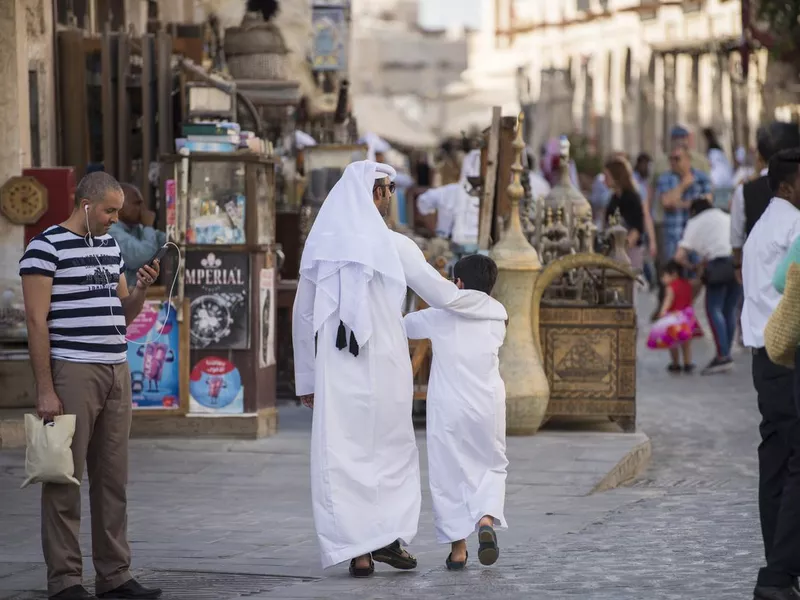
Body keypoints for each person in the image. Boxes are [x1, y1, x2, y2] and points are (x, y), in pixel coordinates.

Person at [292, 160, 488, 578]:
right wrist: (487, 307)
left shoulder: (322, 247)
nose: (391, 196)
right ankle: (384, 538)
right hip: (386, 362)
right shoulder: (397, 247)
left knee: (343, 452)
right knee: (390, 450)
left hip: (335, 366)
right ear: (378, 194)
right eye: (390, 189)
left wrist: (306, 378)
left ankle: (360, 552)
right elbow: (443, 297)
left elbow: (302, 316)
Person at [18, 172, 162, 600]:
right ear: (84, 204)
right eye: (109, 211)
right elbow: (35, 321)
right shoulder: (44, 247)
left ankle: (114, 575)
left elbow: (123, 311)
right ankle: (64, 581)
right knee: (65, 476)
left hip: (116, 369)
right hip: (73, 370)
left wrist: (139, 289)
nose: (115, 219)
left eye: (117, 211)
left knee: (113, 477)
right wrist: (45, 388)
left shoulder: (109, 245)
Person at [403, 254, 508, 571]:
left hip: (449, 405)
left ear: (457, 284)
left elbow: (403, 327)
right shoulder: (498, 317)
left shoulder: (440, 315)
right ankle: (485, 519)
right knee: (489, 464)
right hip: (488, 403)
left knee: (448, 472)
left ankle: (459, 550)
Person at [741, 148, 800, 600]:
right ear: (786, 184)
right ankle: (779, 570)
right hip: (786, 357)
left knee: (777, 463)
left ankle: (779, 566)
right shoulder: (792, 225)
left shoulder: (764, 226)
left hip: (766, 356)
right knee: (790, 465)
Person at [674, 198, 740, 375]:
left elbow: (679, 256)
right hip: (738, 262)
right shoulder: (724, 215)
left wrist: (693, 267)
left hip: (718, 264)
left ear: (693, 211)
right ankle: (726, 352)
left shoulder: (694, 222)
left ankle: (722, 356)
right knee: (730, 309)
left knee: (713, 308)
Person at [730, 122, 800, 277]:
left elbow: (736, 240)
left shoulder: (744, 191)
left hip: (757, 275)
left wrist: (737, 265)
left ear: (760, 156)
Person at [650, 125, 711, 262]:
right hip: (672, 233)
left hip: (697, 236)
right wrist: (684, 185)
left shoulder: (701, 170)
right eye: (671, 159)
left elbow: (707, 202)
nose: (673, 162)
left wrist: (679, 203)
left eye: (677, 159)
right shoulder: (664, 173)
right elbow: (665, 201)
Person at [108, 184, 166, 287]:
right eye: (137, 204)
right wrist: (148, 226)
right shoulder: (111, 231)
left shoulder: (135, 228)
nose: (143, 209)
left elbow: (165, 241)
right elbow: (142, 256)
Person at [603, 156, 646, 269]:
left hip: (630, 251)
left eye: (607, 176)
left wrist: (623, 250)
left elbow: (637, 228)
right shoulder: (614, 198)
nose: (604, 180)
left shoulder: (631, 198)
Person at [657, 260, 695, 373]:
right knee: (686, 343)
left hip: (674, 318)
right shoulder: (687, 284)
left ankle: (675, 363)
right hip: (687, 317)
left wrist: (662, 312)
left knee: (673, 343)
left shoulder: (671, 287)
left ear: (673, 274)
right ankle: (687, 363)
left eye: (664, 275)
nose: (662, 279)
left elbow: (668, 301)